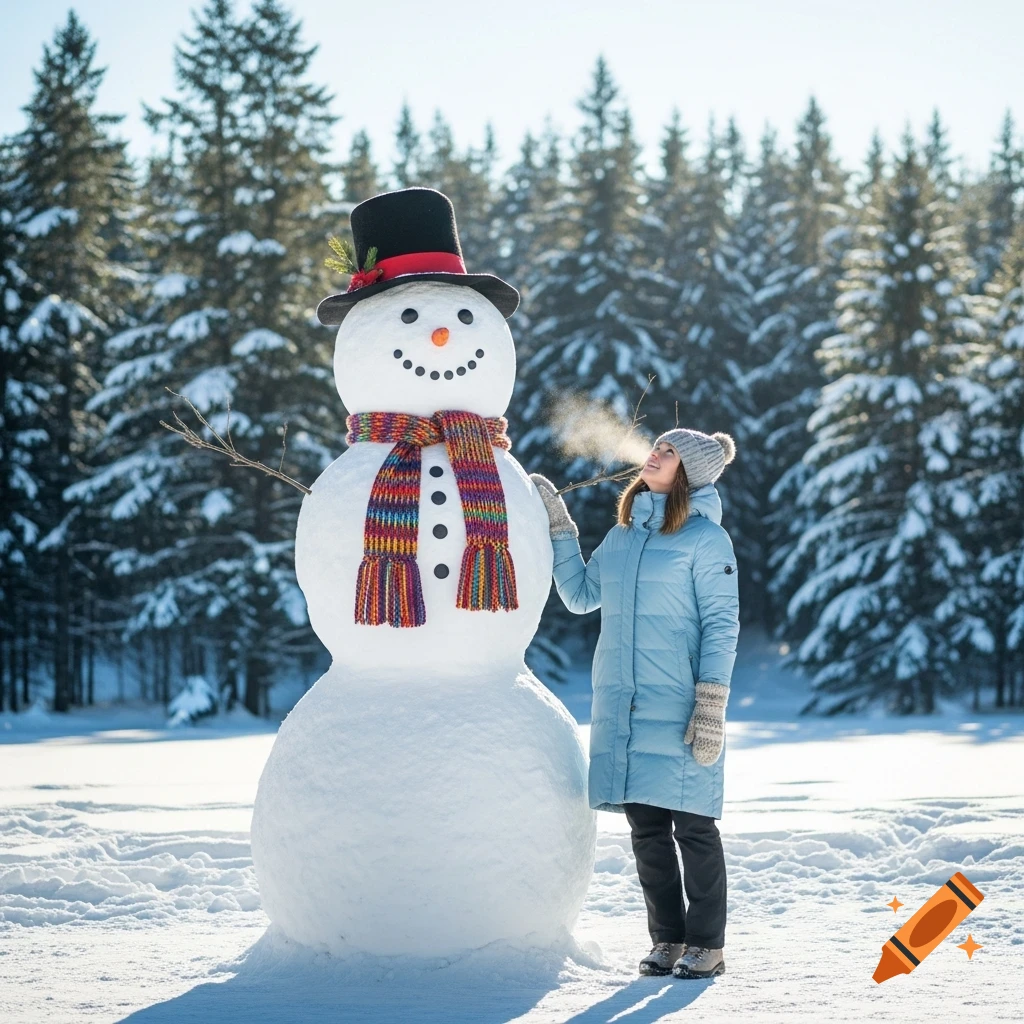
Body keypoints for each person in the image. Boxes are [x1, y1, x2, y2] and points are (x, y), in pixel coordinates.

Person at [530, 427, 740, 979]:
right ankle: (667, 940)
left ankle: (707, 945)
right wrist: (560, 529)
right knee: (646, 830)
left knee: (693, 827)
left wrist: (711, 704)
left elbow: (722, 625)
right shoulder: (622, 536)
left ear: (689, 473)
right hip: (621, 703)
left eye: (669, 452)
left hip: (680, 705)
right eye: (657, 446)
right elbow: (579, 595)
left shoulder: (706, 540)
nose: (655, 454)